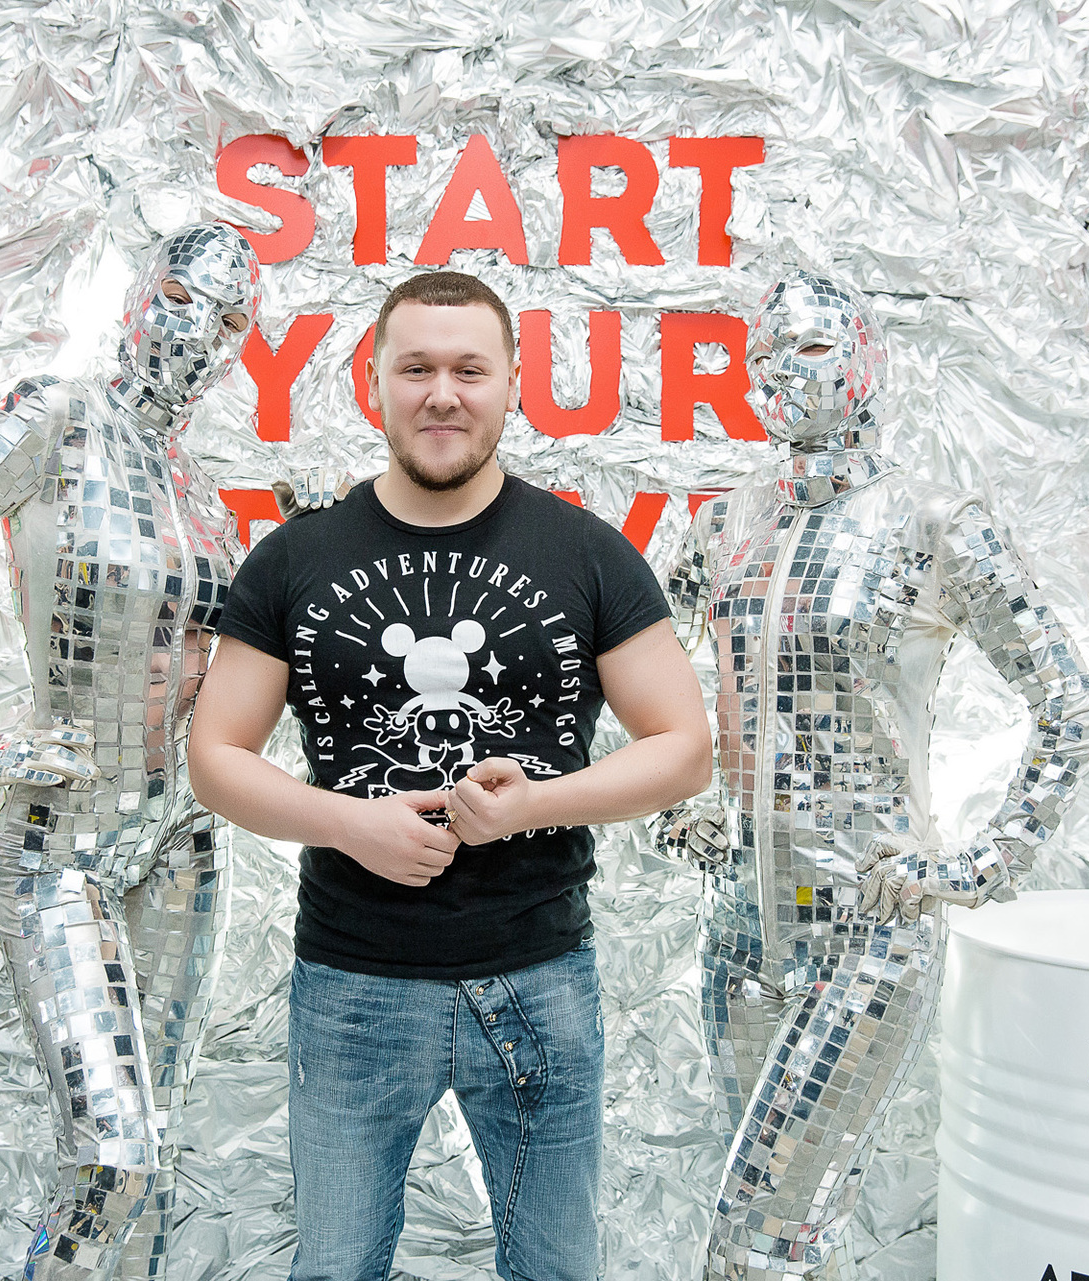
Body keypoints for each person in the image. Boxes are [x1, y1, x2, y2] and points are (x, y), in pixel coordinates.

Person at [186, 270, 712, 1281]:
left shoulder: (587, 553)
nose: (442, 394)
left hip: (541, 979)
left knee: (557, 1270)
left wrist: (536, 806)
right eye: (416, 368)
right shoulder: (295, 559)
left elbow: (683, 746)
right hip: (352, 985)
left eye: (470, 370)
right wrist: (349, 823)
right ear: (373, 383)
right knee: (334, 1266)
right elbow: (216, 757)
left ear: (511, 383)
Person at [656, 267, 1089, 1279]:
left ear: (867, 360)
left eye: (813, 349)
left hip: (866, 925)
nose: (783, 376)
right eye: (763, 359)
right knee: (794, 1227)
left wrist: (986, 861)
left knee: (757, 1238)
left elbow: (1072, 706)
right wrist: (680, 799)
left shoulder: (932, 522)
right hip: (740, 934)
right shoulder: (725, 524)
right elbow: (645, 670)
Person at [0, 223, 261, 1281]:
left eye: (230, 321)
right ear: (138, 297)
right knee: (111, 1158)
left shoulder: (203, 494)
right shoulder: (56, 419)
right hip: (62, 838)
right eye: (182, 299)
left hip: (183, 843)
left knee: (157, 1159)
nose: (199, 335)